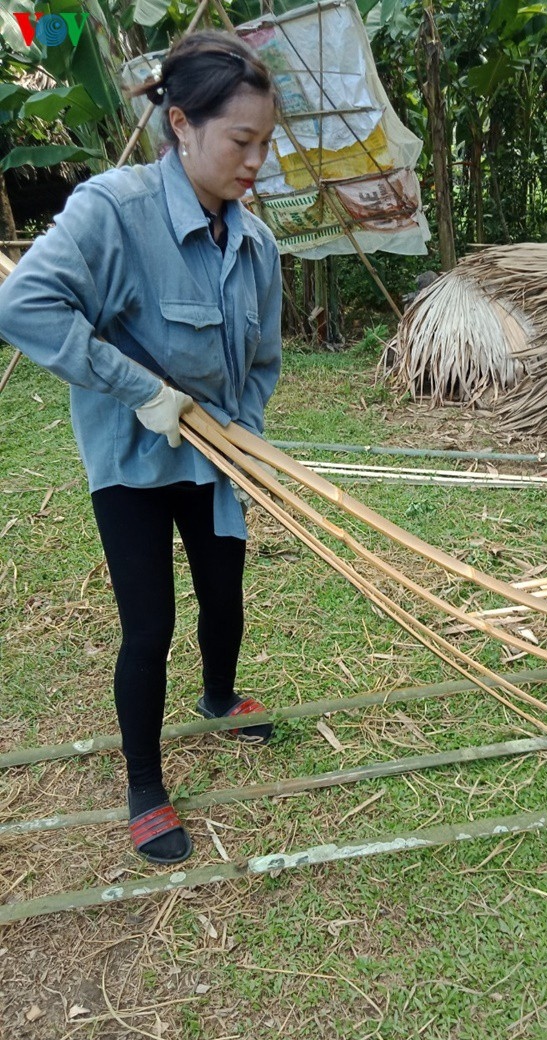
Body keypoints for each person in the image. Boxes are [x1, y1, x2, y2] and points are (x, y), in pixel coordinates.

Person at [0, 31, 281, 865]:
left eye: (265, 144)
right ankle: (146, 787)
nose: (255, 162)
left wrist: (247, 438)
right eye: (240, 141)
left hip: (216, 456)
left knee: (225, 595)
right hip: (132, 460)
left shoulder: (256, 243)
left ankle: (221, 694)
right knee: (148, 624)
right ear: (183, 124)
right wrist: (145, 392)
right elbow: (26, 310)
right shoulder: (110, 211)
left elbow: (263, 361)